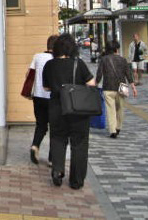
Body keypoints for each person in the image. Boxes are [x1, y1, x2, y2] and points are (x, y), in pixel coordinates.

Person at [43, 33, 96, 190]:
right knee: (79, 143)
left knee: (58, 139)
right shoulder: (78, 64)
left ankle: (57, 171)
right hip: (77, 109)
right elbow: (91, 83)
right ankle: (76, 180)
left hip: (56, 108)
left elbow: (46, 87)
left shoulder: (49, 65)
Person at [96, 40, 137, 138]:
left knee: (110, 110)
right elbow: (128, 74)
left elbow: (99, 74)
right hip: (121, 88)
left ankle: (112, 131)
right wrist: (133, 87)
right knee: (120, 109)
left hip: (108, 87)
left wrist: (95, 84)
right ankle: (118, 127)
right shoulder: (123, 60)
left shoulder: (104, 59)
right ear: (116, 49)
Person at [28, 34, 58, 166]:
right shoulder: (57, 59)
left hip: (38, 96)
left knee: (41, 124)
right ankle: (52, 158)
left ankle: (35, 145)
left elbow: (29, 74)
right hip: (52, 97)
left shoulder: (37, 56)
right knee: (55, 127)